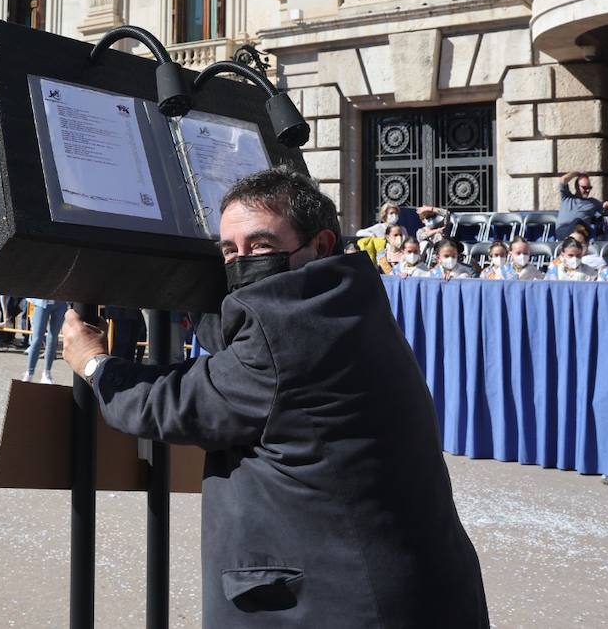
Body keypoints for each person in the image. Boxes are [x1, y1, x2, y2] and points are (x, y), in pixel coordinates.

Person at [60, 167, 488, 626]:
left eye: (260, 245)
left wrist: (95, 364)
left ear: (321, 244)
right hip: (415, 582)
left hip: (338, 602)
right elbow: (250, 334)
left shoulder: (281, 334)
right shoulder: (345, 295)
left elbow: (172, 405)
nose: (242, 261)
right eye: (229, 250)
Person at [555, 170, 608, 240]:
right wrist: (577, 173)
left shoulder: (593, 203)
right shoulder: (567, 197)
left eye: (589, 188)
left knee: (578, 222)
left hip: (581, 231)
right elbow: (563, 180)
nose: (587, 191)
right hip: (563, 230)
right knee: (577, 222)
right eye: (584, 188)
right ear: (577, 187)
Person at [21, 297, 68, 383]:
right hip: (41, 301)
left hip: (60, 302)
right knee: (37, 338)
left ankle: (47, 373)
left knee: (53, 338)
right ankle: (29, 372)